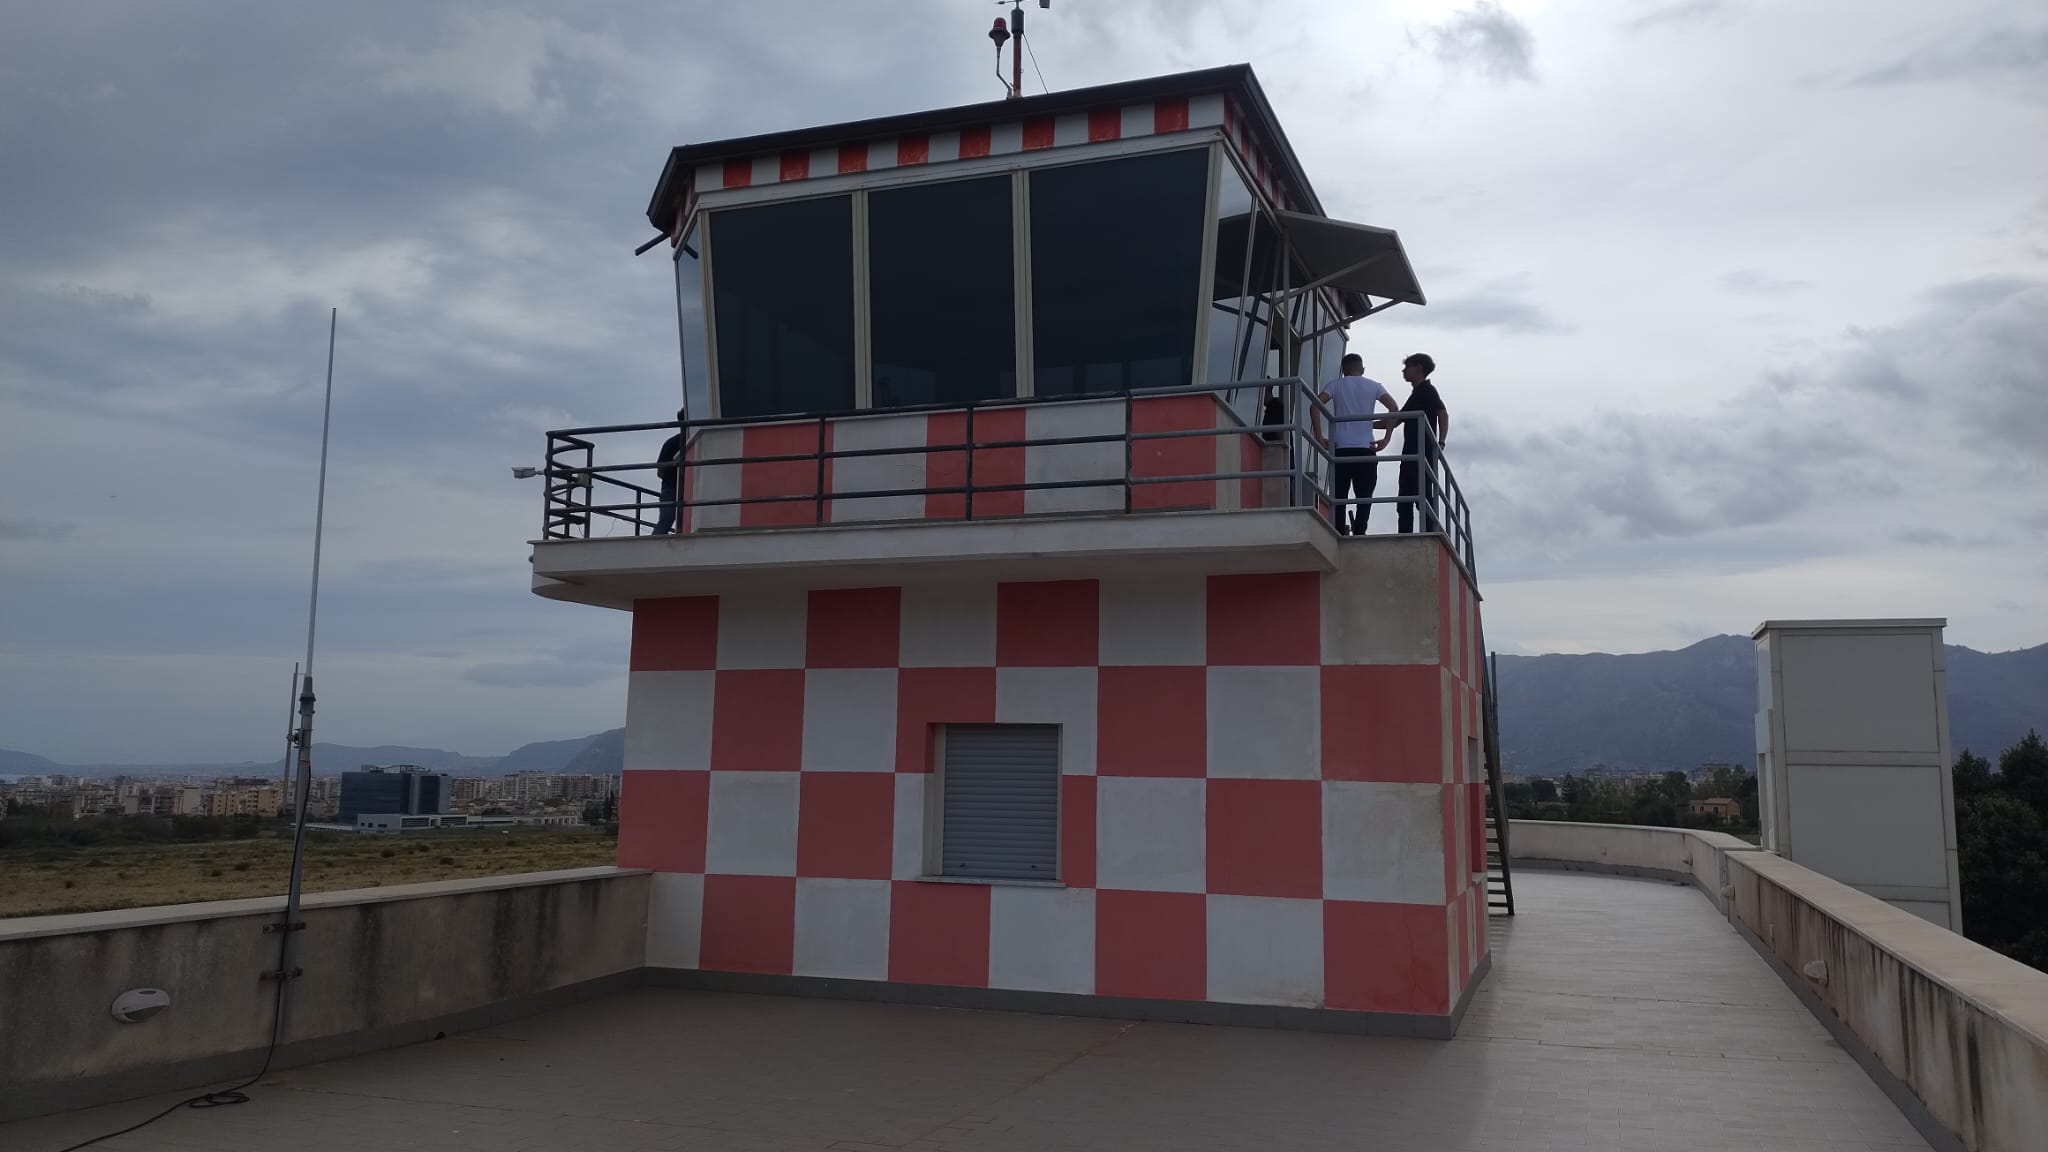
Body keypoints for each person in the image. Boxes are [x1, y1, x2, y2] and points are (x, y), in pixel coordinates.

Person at [1317, 353, 1399, 535]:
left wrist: (1318, 436)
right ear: (1362, 369)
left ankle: (1338, 531)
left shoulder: (1335, 385)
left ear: (1343, 370)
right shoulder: (1374, 386)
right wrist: (1386, 438)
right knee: (1364, 496)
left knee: (1339, 495)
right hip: (1366, 449)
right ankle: (1360, 530)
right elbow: (1393, 408)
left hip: (1341, 449)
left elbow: (1314, 405)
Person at [1395, 353, 1448, 535]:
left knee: (1421, 495)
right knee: (1406, 498)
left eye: (1407, 367)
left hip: (1422, 452)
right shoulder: (1417, 393)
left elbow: (1442, 413)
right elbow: (1396, 420)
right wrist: (1365, 423)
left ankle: (1428, 533)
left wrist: (1440, 442)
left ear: (1418, 368)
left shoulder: (1426, 390)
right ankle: (1406, 535)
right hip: (1411, 453)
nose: (1403, 371)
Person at [652, 408, 686, 535]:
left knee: (665, 521)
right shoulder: (692, 440)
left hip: (669, 488)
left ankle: (654, 547)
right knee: (679, 521)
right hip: (677, 488)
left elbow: (660, 471)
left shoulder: (671, 442)